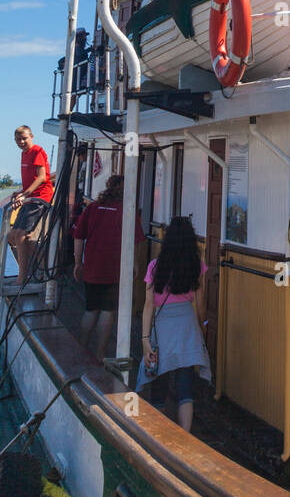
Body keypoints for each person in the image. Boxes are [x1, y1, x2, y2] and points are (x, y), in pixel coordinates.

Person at [137, 216, 210, 432]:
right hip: (187, 324)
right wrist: (202, 326)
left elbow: (148, 305)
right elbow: (200, 304)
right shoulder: (196, 265)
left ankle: (157, 435)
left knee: (159, 375)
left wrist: (145, 340)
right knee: (185, 380)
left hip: (163, 325)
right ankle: (185, 436)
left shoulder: (154, 266)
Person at [73, 174, 145, 360]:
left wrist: (77, 263)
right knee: (107, 311)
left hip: (92, 266)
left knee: (91, 309)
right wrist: (135, 264)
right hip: (115, 268)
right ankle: (100, 353)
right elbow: (135, 241)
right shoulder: (127, 210)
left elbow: (79, 236)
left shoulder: (92, 208)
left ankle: (81, 348)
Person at [8, 126, 54, 287]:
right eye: (18, 140)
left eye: (24, 138)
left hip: (39, 198)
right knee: (12, 235)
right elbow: (30, 179)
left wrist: (25, 194)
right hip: (30, 197)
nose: (21, 142)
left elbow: (41, 177)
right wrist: (20, 191)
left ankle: (22, 277)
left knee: (20, 235)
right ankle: (44, 265)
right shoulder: (24, 154)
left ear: (31, 137)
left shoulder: (37, 151)